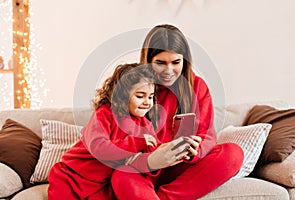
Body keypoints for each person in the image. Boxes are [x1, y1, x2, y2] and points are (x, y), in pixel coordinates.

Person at [109, 24, 244, 200]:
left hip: (182, 167)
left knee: (233, 154)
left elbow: (208, 136)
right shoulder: (133, 87)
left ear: (184, 61)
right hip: (148, 167)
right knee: (122, 175)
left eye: (175, 62)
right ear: (147, 61)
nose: (169, 70)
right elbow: (118, 137)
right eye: (160, 63)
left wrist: (197, 150)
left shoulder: (197, 87)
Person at [48, 63, 173, 199]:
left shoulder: (146, 125)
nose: (147, 102)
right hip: (70, 176)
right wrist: (138, 142)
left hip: (101, 183)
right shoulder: (104, 114)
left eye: (150, 97)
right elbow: (99, 148)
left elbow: (148, 160)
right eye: (140, 96)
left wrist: (168, 152)